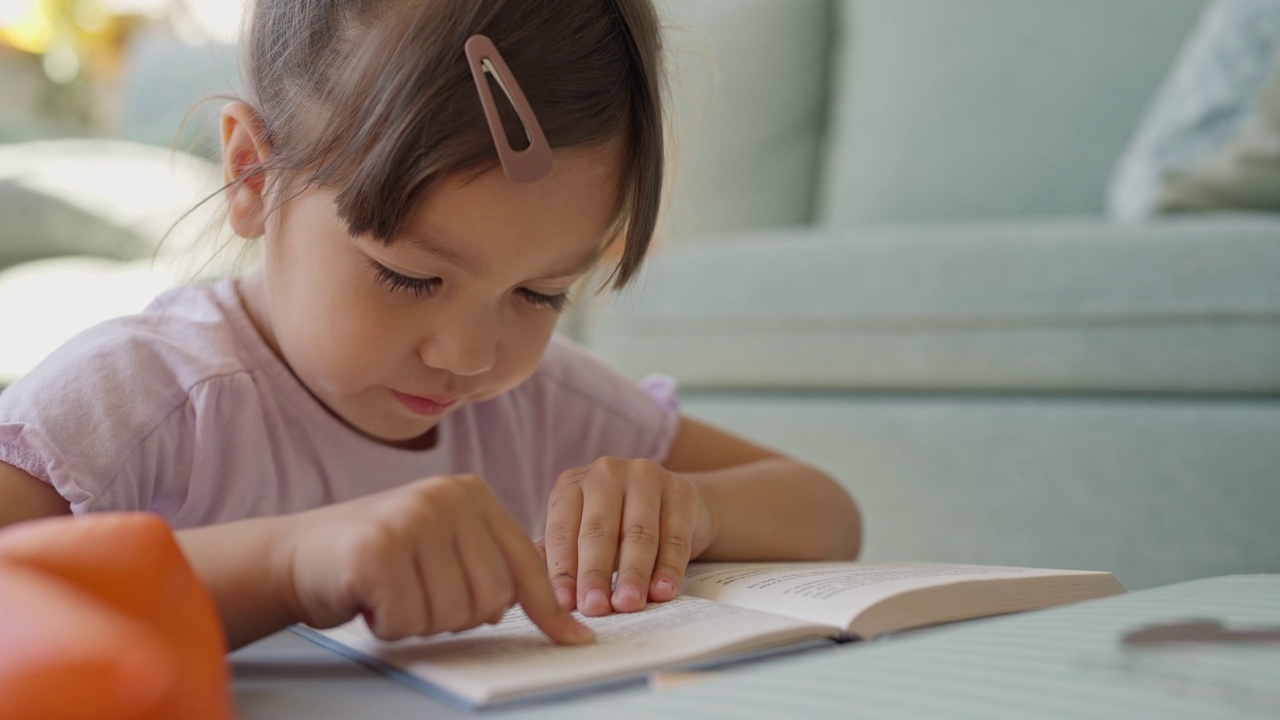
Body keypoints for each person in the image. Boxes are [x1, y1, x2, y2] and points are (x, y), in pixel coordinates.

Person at [0, 0, 861, 650]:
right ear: (253, 176)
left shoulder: (539, 404)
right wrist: (289, 563)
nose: (470, 356)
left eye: (542, 294)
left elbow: (829, 516)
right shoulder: (137, 399)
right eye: (408, 276)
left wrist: (690, 510)